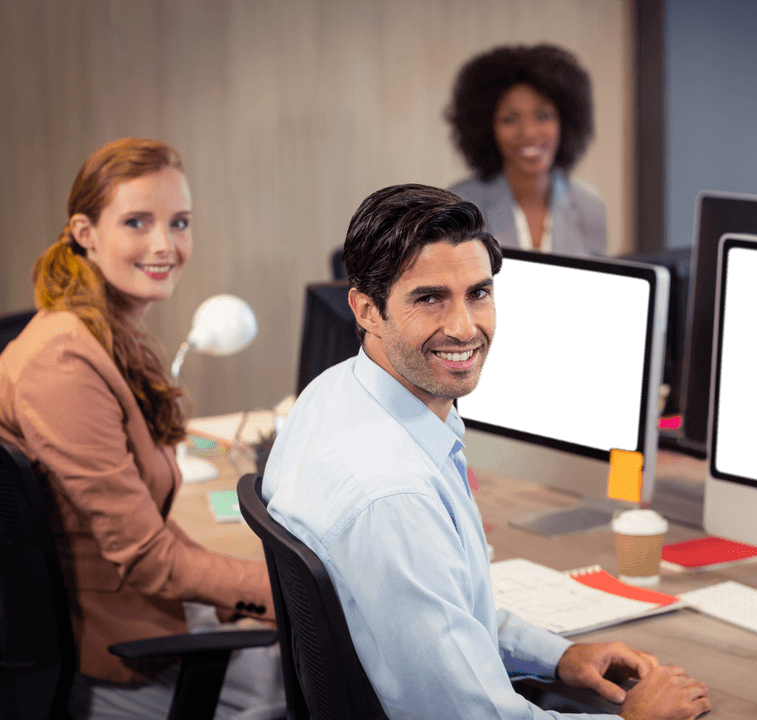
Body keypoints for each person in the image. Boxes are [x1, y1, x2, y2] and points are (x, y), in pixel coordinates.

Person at [261, 184, 709, 720]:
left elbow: (442, 618)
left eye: (478, 293)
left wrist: (556, 656)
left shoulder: (331, 392)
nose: (464, 328)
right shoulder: (394, 498)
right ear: (366, 310)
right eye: (429, 298)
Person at [0, 138, 283, 719]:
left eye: (179, 223)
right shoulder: (63, 362)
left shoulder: (107, 336)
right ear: (85, 232)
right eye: (137, 222)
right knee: (329, 682)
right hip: (119, 652)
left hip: (143, 615)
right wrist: (288, 594)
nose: (164, 245)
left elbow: (147, 525)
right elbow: (147, 557)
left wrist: (258, 594)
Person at [446, 44, 607, 256]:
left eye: (543, 116)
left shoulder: (590, 207)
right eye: (510, 119)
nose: (528, 133)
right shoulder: (460, 206)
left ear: (565, 122)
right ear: (486, 127)